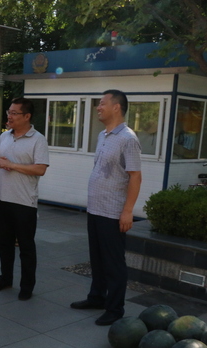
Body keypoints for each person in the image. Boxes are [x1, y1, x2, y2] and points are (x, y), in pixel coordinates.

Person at [70, 90, 142, 326]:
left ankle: (115, 308)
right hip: (96, 208)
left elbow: (135, 176)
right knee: (98, 259)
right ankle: (97, 297)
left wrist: (128, 211)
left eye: (102, 103)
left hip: (113, 212)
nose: (98, 107)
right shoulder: (103, 135)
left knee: (113, 263)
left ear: (116, 107)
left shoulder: (128, 139)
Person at [0, 98, 50, 300]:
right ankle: (5, 278)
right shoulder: (4, 136)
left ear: (27, 116)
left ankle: (27, 286)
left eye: (14, 113)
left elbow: (40, 169)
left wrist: (12, 165)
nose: (10, 116)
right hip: (1, 198)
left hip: (24, 202)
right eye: (9, 112)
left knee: (26, 246)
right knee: (3, 243)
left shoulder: (38, 139)